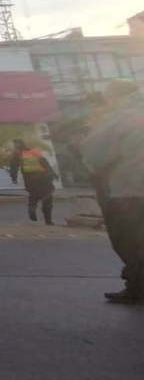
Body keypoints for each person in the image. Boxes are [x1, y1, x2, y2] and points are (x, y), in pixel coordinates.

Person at [80, 78, 144, 305]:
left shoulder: (120, 117)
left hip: (130, 191)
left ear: (113, 96)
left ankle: (137, 287)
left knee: (130, 241)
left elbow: (95, 156)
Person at [9, 139, 57, 225]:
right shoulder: (33, 152)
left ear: (16, 147)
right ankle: (48, 221)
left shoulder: (17, 155)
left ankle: (32, 208)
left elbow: (14, 167)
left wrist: (14, 178)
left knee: (34, 196)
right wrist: (53, 174)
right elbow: (45, 163)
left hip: (30, 180)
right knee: (47, 199)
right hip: (43, 178)